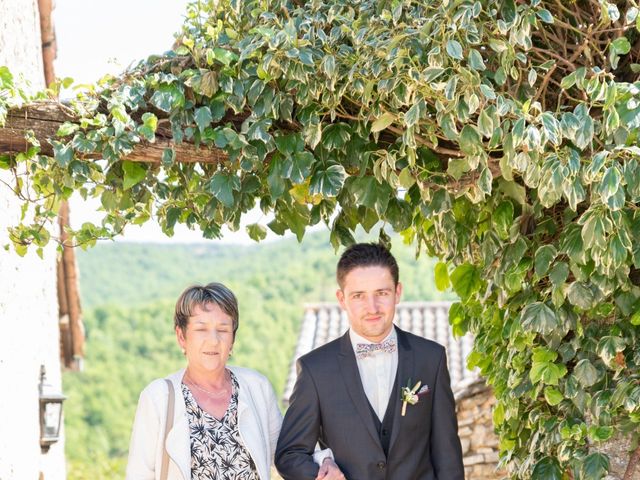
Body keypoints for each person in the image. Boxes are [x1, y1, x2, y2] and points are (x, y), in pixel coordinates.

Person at [275, 243, 465, 480]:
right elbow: (289, 454)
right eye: (359, 296)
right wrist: (320, 471)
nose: (372, 307)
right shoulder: (315, 370)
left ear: (397, 292)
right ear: (342, 299)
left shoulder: (431, 358)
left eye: (381, 293)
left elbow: (447, 456)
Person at [126, 283, 282, 480]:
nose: (213, 340)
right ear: (181, 336)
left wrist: (325, 462)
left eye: (223, 329)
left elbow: (289, 453)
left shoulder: (257, 387)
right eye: (201, 329)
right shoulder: (158, 397)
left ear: (233, 339)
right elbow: (139, 475)